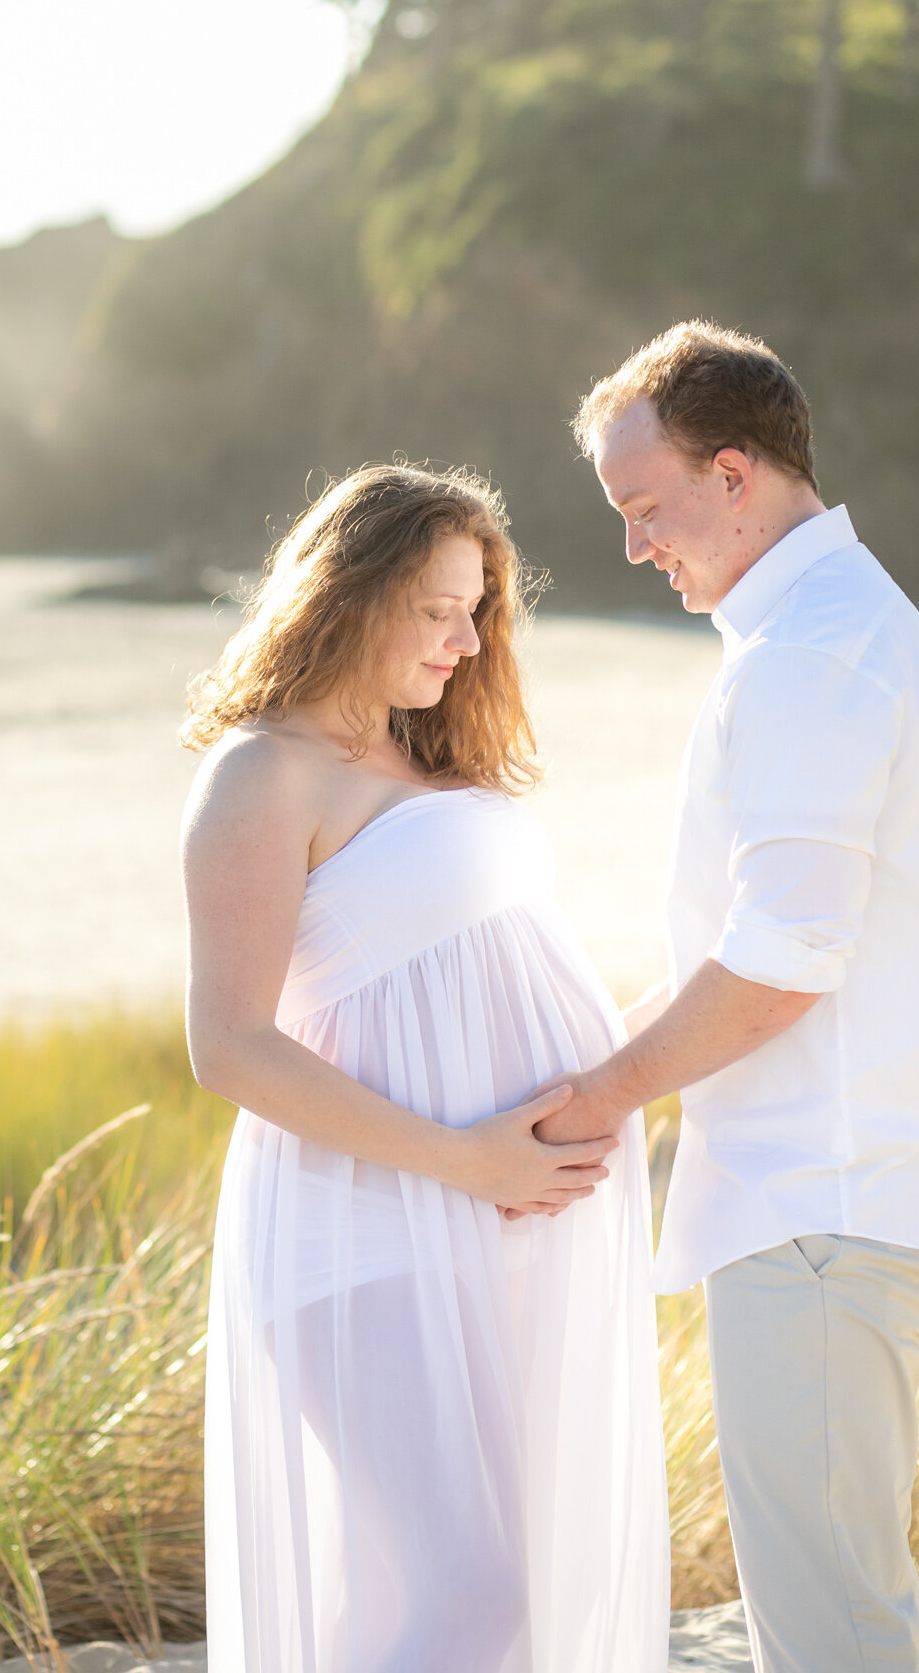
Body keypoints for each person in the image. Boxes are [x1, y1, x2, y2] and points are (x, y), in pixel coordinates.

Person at [180, 464, 669, 1673]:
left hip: (493, 1215)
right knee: (471, 1588)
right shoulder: (262, 773)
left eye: (478, 611)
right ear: (351, 591)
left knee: (457, 1585)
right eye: (439, 607)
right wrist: (465, 1158)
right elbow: (228, 1044)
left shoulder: (429, 759)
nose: (465, 639)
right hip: (369, 1221)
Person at [545, 320, 919, 1673]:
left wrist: (599, 1097)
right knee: (831, 1613)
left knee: (834, 1632)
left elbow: (784, 956)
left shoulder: (808, 653)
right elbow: (765, 937)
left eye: (644, 507)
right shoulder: (821, 631)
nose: (633, 546)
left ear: (734, 475)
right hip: (826, 1206)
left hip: (820, 1212)